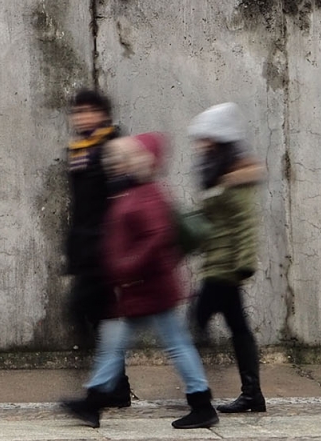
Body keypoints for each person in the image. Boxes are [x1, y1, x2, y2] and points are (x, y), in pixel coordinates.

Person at [60, 133, 217, 430]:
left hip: (150, 288)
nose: (123, 162)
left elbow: (158, 237)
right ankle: (93, 402)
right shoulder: (134, 190)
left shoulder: (150, 193)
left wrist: (127, 266)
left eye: (131, 156)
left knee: (174, 344)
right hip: (138, 289)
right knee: (116, 345)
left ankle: (201, 404)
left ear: (147, 160)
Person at [188, 103, 266, 414]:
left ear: (219, 138)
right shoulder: (216, 170)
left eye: (205, 138)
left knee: (194, 324)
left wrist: (244, 264)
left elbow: (245, 224)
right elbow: (211, 219)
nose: (200, 144)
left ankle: (199, 391)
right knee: (237, 328)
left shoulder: (236, 177)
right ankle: (251, 394)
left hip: (226, 268)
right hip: (217, 264)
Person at [62, 89, 132, 406]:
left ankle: (101, 389)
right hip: (86, 246)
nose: (83, 117)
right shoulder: (80, 150)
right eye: (78, 112)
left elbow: (120, 201)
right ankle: (116, 386)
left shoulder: (111, 148)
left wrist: (113, 242)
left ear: (103, 114)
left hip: (104, 247)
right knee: (101, 316)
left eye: (90, 111)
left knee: (84, 311)